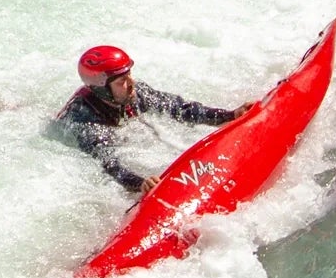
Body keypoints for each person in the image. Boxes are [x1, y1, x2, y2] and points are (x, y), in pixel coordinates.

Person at [53, 45, 254, 193]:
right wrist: (140, 183)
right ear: (102, 90)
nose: (132, 83)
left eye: (129, 75)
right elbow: (109, 164)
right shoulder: (86, 122)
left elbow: (181, 109)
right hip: (72, 143)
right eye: (122, 81)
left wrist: (229, 115)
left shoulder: (135, 93)